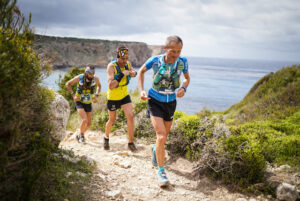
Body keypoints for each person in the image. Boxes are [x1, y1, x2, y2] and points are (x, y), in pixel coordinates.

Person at [138, 35, 190, 187]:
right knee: (161, 136)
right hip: (154, 100)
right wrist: (142, 91)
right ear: (165, 48)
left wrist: (183, 88)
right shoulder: (155, 60)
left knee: (164, 137)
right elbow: (141, 71)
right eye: (173, 51)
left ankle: (155, 149)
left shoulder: (183, 62)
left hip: (170, 102)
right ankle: (161, 171)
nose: (176, 54)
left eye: (179, 51)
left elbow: (187, 78)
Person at [104, 46, 138, 152]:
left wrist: (134, 73)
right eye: (122, 59)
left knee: (130, 117)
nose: (124, 61)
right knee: (112, 120)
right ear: (118, 57)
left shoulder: (128, 64)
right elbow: (111, 85)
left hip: (124, 95)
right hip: (113, 97)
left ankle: (130, 143)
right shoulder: (111, 66)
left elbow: (133, 72)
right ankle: (106, 138)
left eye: (126, 59)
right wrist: (122, 74)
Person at [66, 66, 101, 144]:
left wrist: (96, 95)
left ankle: (79, 135)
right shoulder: (79, 77)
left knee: (88, 124)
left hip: (88, 102)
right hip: (79, 102)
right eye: (90, 74)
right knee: (84, 120)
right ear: (86, 73)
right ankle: (81, 136)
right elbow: (67, 84)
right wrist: (73, 95)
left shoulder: (96, 79)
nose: (92, 75)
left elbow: (99, 86)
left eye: (93, 74)